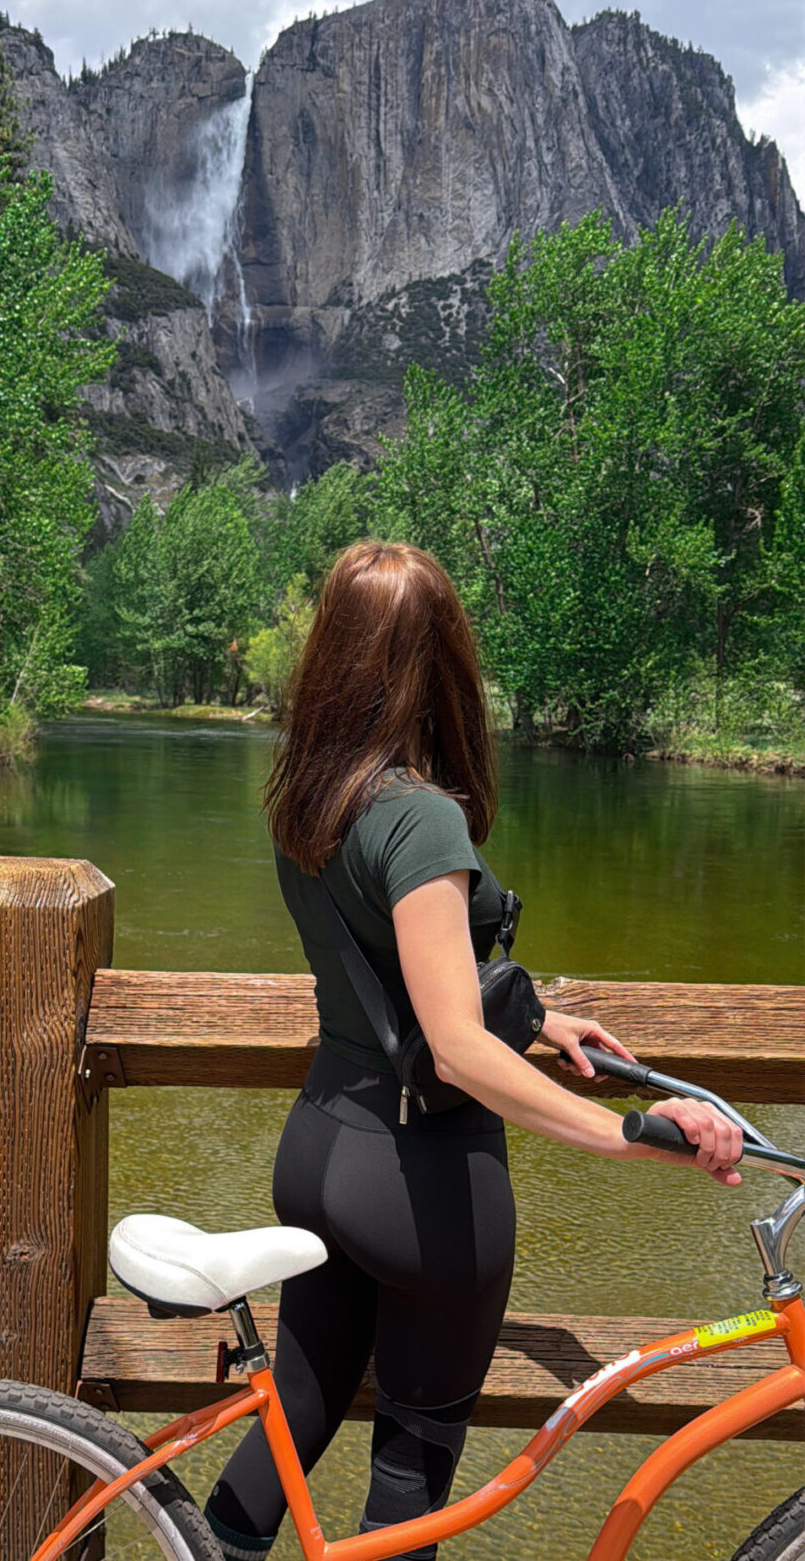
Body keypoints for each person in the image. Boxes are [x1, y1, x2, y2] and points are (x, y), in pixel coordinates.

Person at [202, 541, 743, 1561]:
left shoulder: (308, 802)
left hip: (319, 1146)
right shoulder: (421, 818)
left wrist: (536, 1021)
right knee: (411, 1476)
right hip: (419, 1182)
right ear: (441, 658)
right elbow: (451, 1047)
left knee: (301, 1411)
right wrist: (634, 1134)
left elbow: (394, 970)